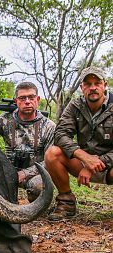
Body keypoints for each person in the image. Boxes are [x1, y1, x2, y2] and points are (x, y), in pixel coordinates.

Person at [45, 66, 113, 221]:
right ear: (82, 87)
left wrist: (96, 162)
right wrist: (84, 157)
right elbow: (60, 134)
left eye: (97, 83)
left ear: (105, 85)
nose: (93, 87)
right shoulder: (75, 105)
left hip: (110, 166)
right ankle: (66, 203)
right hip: (82, 162)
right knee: (52, 153)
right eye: (88, 84)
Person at [0, 82, 56, 202]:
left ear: (37, 99)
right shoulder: (5, 120)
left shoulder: (49, 126)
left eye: (31, 97)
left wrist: (24, 173)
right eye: (22, 98)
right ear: (16, 101)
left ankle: (35, 207)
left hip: (34, 174)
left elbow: (50, 161)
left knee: (38, 187)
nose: (27, 101)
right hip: (6, 172)